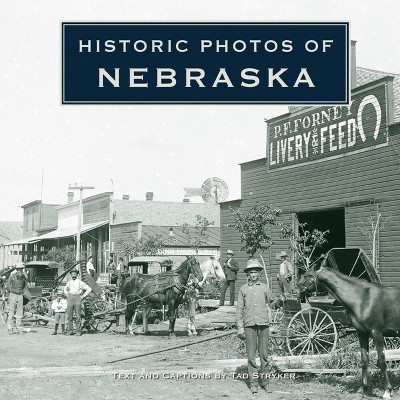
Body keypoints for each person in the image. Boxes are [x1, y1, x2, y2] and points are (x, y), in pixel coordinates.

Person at [236, 258, 272, 394]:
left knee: (264, 355)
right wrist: (240, 326)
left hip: (263, 325)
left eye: (256, 272)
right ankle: (253, 384)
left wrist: (281, 301)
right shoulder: (243, 289)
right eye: (251, 272)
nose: (254, 274)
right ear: (248, 274)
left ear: (259, 274)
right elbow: (239, 309)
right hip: (249, 325)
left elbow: (273, 302)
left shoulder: (264, 288)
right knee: (251, 356)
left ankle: (266, 382)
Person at [63, 268, 92, 336]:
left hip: (77, 298)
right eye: (72, 274)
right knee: (69, 315)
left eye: (75, 274)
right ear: (71, 275)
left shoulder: (80, 282)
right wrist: (67, 295)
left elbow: (89, 289)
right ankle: (70, 330)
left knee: (78, 315)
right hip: (70, 297)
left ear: (77, 274)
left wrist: (83, 296)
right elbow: (65, 289)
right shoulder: (69, 282)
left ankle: (78, 331)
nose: (73, 275)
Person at [6, 262, 28, 334]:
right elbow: (8, 286)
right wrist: (12, 292)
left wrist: (22, 292)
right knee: (11, 311)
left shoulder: (23, 277)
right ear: (16, 269)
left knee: (19, 313)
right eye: (18, 269)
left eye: (21, 269)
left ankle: (18, 328)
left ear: (22, 270)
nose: (19, 271)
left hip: (20, 295)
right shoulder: (11, 276)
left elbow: (25, 286)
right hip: (13, 295)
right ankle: (10, 328)